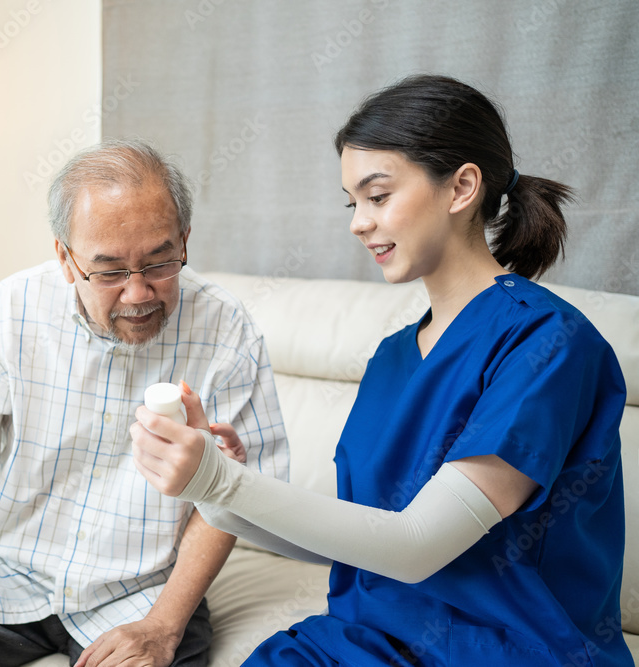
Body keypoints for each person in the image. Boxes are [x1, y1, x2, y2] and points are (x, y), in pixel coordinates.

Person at [130, 75, 633, 666]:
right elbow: (358, 543)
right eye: (353, 203)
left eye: (377, 195)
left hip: (504, 651)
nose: (358, 223)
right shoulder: (393, 356)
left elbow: (415, 547)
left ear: (461, 187)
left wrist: (225, 483)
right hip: (369, 640)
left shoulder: (547, 343)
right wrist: (215, 493)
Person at [0, 139, 288, 667]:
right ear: (65, 257)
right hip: (7, 571)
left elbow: (237, 500)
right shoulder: (3, 314)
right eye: (110, 271)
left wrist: (164, 626)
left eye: (159, 262)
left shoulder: (227, 329)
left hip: (143, 591)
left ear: (185, 239)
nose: (138, 293)